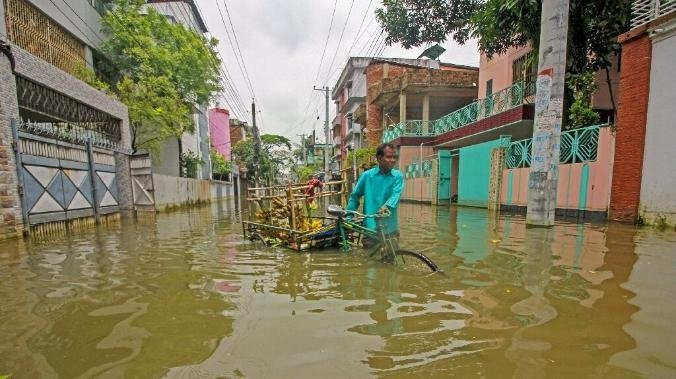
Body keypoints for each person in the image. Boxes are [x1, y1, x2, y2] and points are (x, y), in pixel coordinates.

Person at [346, 142, 403, 247]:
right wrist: (348, 216)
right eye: (389, 157)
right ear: (379, 158)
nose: (393, 160)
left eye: (395, 157)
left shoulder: (398, 176)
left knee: (391, 259)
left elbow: (396, 194)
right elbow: (355, 197)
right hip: (370, 228)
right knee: (370, 260)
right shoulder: (367, 176)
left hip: (390, 227)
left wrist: (387, 206)